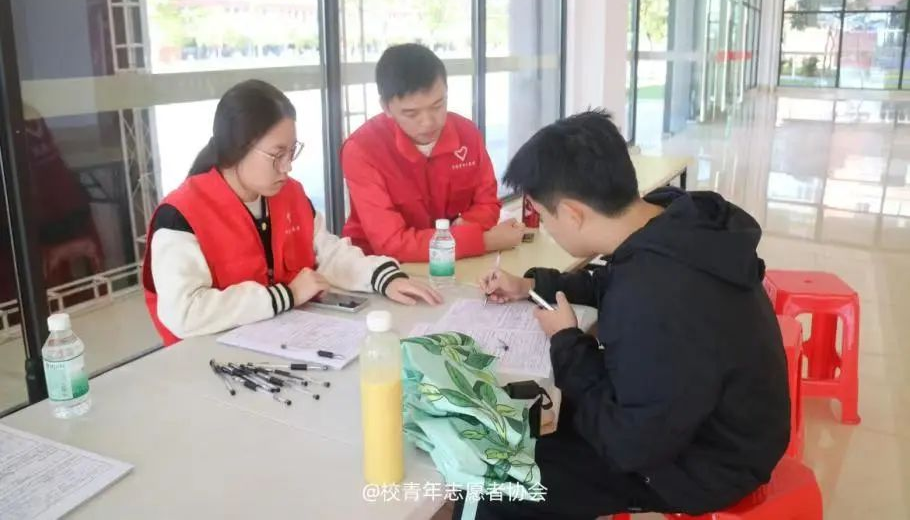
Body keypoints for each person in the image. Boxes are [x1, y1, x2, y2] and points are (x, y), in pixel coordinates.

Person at [471, 111, 790, 518]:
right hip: (717, 425)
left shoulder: (653, 296)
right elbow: (611, 282)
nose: (547, 229)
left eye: (545, 218)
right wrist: (531, 286)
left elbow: (627, 446)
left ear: (572, 213)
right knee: (531, 422)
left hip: (707, 464)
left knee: (495, 483)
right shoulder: (671, 222)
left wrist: (567, 343)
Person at [142, 80, 441, 345]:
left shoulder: (289, 195)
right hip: (207, 359)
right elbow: (184, 313)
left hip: (282, 338)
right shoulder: (181, 215)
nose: (287, 167)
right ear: (237, 148)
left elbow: (329, 254)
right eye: (277, 155)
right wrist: (287, 295)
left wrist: (383, 277)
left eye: (291, 152)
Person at [341, 43, 525, 263]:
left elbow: (487, 203)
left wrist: (465, 229)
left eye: (438, 105)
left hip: (452, 262)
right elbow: (391, 243)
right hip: (379, 267)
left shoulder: (467, 134)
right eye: (411, 114)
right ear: (386, 107)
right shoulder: (362, 150)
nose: (428, 122)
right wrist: (482, 241)